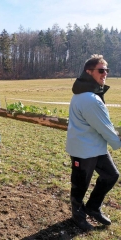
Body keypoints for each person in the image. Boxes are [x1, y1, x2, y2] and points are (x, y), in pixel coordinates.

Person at [66, 54, 121, 231]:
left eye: (107, 70)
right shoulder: (89, 98)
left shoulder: (88, 93)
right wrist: (118, 142)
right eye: (101, 70)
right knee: (80, 184)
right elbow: (105, 127)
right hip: (83, 149)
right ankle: (78, 216)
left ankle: (93, 207)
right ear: (88, 72)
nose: (105, 74)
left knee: (111, 175)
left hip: (96, 147)